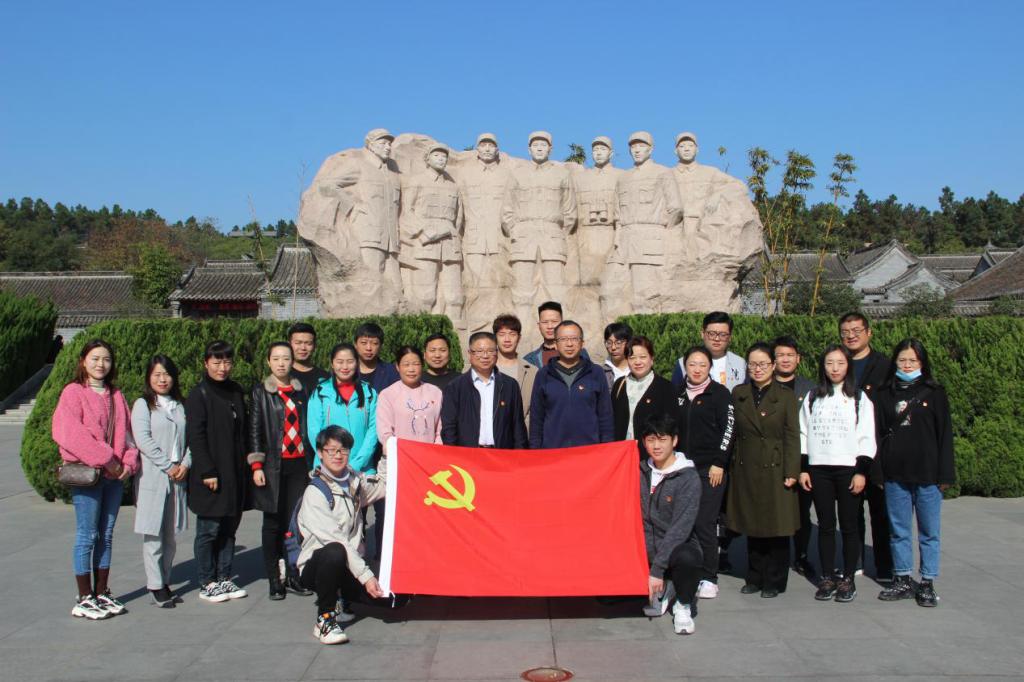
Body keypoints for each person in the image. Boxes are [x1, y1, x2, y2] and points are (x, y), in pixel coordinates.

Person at [52, 339, 138, 620]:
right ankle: (84, 597)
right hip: (88, 475)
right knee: (87, 535)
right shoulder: (73, 392)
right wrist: (107, 458)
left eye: (106, 359)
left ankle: (101, 592)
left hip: (113, 477)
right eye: (95, 358)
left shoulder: (116, 395)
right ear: (83, 361)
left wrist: (128, 463)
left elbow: (128, 435)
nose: (101, 364)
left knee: (107, 534)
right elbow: (69, 433)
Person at [875, 339, 955, 607]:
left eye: (913, 360)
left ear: (922, 362)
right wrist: (878, 471)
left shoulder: (934, 392)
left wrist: (945, 474)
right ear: (895, 362)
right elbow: (878, 434)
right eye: (902, 360)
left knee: (929, 531)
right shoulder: (885, 393)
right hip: (895, 473)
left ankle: (927, 581)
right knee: (899, 530)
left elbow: (945, 435)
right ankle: (902, 578)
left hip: (928, 474)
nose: (907, 365)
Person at [297, 426, 389, 645]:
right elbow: (336, 541)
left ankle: (343, 598)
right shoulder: (315, 493)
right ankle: (325, 619)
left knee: (393, 601)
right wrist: (367, 576)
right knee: (335, 551)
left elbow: (384, 487)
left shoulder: (354, 482)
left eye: (343, 450)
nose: (338, 455)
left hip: (349, 565)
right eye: (331, 450)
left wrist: (386, 457)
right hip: (316, 566)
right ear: (320, 453)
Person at [799, 345, 876, 603]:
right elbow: (803, 434)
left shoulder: (859, 398)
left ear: (848, 366)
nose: (834, 368)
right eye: (829, 363)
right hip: (819, 468)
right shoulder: (813, 396)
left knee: (849, 525)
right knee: (826, 526)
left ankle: (848, 578)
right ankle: (827, 577)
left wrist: (861, 472)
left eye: (840, 363)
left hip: (848, 470)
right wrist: (804, 469)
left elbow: (866, 436)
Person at [726, 342, 800, 598]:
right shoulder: (739, 393)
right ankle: (754, 576)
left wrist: (792, 470)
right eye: (753, 364)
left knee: (777, 526)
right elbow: (732, 432)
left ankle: (775, 580)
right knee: (753, 525)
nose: (758, 369)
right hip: (746, 466)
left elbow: (792, 436)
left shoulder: (785, 396)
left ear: (773, 365)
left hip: (775, 466)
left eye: (763, 364)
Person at [248, 342, 313, 600]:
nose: (281, 363)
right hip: (273, 465)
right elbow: (255, 429)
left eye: (286, 358)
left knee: (295, 521)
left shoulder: (300, 390)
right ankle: (275, 578)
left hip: (299, 464)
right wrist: (257, 465)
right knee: (273, 523)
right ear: (268, 362)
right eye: (276, 358)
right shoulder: (261, 392)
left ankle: (294, 574)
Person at [186, 340, 249, 603]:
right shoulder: (199, 394)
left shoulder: (235, 391)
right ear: (206, 363)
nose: (222, 368)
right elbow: (196, 436)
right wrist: (207, 470)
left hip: (235, 472)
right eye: (216, 362)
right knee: (209, 530)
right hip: (211, 474)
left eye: (227, 362)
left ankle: (224, 577)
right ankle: (207, 581)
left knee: (229, 529)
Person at [674, 345, 735, 600]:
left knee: (705, 522)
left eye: (702, 364)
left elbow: (728, 430)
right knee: (682, 522)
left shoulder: (719, 394)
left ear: (710, 367)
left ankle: (710, 576)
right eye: (692, 364)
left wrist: (720, 462)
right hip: (682, 468)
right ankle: (686, 570)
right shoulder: (677, 392)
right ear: (685, 366)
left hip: (711, 469)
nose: (697, 369)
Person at [131, 355, 189, 608]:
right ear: (148, 378)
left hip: (178, 476)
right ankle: (155, 585)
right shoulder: (143, 405)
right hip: (154, 476)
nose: (162, 379)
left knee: (171, 535)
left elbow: (192, 440)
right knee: (153, 534)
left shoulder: (181, 405)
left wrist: (186, 464)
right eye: (156, 374)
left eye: (166, 374)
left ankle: (165, 580)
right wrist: (168, 466)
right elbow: (143, 441)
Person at [839, 311, 893, 582]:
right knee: (851, 511)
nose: (851, 336)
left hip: (877, 448)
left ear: (868, 333)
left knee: (881, 511)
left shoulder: (884, 366)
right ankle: (855, 560)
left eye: (856, 331)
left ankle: (885, 566)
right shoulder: (838, 363)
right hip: (847, 449)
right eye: (846, 332)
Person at [639, 414, 703, 635]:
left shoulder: (688, 478)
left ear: (674, 440)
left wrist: (657, 570)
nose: (656, 446)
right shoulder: (640, 470)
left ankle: (683, 604)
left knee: (688, 557)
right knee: (608, 598)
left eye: (662, 439)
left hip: (675, 547)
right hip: (645, 547)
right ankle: (665, 587)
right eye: (650, 440)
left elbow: (680, 529)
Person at [772, 335, 817, 579]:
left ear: (798, 359)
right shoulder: (764, 386)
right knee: (774, 511)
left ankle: (801, 556)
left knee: (801, 511)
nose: (785, 359)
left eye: (790, 355)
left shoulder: (810, 389)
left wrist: (805, 466)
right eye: (780, 355)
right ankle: (774, 559)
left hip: (801, 459)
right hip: (772, 459)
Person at [529, 321, 613, 449]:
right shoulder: (543, 374)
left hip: (589, 451)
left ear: (582, 343)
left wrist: (607, 448)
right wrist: (535, 450)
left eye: (574, 339)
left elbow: (605, 416)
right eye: (563, 339)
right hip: (553, 452)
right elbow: (536, 419)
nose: (569, 344)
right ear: (555, 344)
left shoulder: (596, 373)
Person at [441, 332, 527, 449]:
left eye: (490, 351)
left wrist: (520, 454)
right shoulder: (455, 387)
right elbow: (449, 429)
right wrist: (454, 455)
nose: (485, 356)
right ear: (470, 353)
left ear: (497, 353)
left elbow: (518, 427)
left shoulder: (510, 385)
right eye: (479, 351)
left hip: (502, 453)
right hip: (468, 454)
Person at [306, 343, 379, 474]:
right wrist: (333, 461)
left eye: (350, 362)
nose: (345, 367)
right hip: (327, 468)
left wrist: (356, 464)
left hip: (362, 469)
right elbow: (314, 431)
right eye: (340, 362)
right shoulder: (320, 392)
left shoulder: (369, 393)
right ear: (332, 364)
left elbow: (373, 431)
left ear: (357, 363)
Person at [611, 335, 675, 457]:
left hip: (651, 457)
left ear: (652, 358)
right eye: (632, 357)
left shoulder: (665, 387)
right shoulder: (619, 384)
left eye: (643, 357)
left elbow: (671, 424)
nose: (637, 362)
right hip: (621, 454)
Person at [377, 346, 443, 444]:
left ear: (422, 365)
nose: (411, 369)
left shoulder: (435, 392)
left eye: (416, 364)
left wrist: (436, 449)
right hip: (400, 452)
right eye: (406, 364)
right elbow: (385, 433)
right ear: (397, 367)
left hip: (431, 452)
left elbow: (440, 429)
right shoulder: (387, 395)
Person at [671, 312, 746, 391]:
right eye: (712, 334)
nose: (717, 339)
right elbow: (674, 394)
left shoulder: (740, 364)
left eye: (723, 335)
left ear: (730, 337)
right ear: (702, 334)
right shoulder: (683, 363)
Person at [492, 313, 537, 427]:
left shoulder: (532, 371)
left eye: (512, 334)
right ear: (495, 337)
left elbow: (536, 410)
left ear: (519, 338)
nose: (507, 339)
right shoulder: (485, 368)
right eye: (502, 334)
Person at [354, 322, 399, 393]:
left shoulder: (392, 372)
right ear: (355, 345)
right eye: (364, 343)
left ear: (381, 346)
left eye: (374, 343)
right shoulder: (347, 371)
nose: (368, 348)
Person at [288, 322, 330, 397]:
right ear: (289, 344)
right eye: (298, 343)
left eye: (308, 343)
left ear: (314, 346)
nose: (303, 348)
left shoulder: (325, 378)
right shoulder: (283, 376)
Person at [602, 322, 633, 388]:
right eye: (609, 343)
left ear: (629, 342)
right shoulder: (601, 373)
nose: (613, 347)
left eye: (618, 343)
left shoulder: (637, 369)